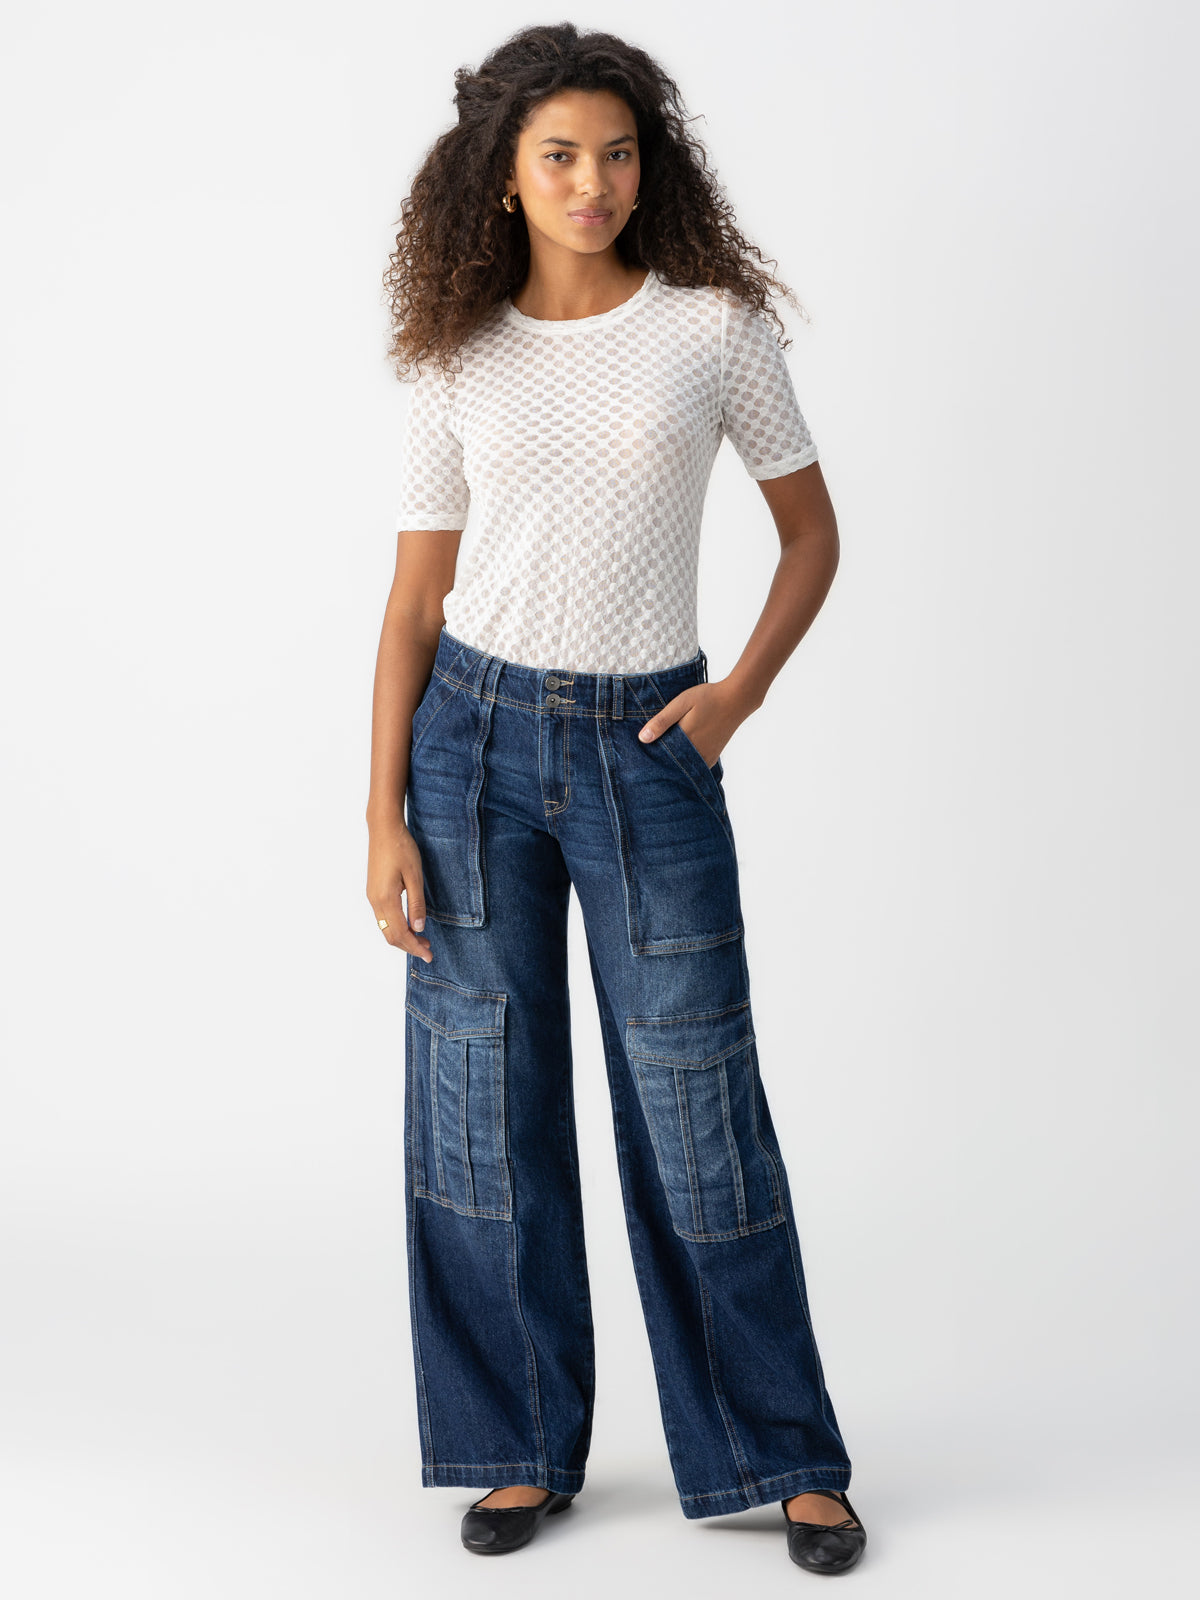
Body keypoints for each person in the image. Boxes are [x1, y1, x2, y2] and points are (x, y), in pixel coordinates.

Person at [366, 22, 867, 1575]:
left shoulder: (711, 331)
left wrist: (740, 698)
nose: (595, 181)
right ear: (504, 177)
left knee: (698, 1105)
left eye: (620, 151)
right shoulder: (457, 350)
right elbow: (408, 607)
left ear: (653, 164)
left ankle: (781, 1455)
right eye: (560, 155)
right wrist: (378, 812)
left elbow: (812, 538)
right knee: (478, 1111)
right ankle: (517, 1443)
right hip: (473, 752)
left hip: (650, 753)